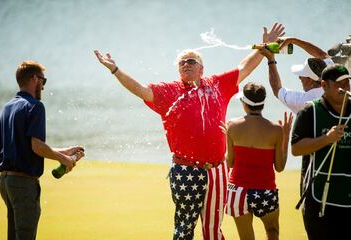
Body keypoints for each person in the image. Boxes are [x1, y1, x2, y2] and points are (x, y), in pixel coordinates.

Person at [94, 23, 285, 240]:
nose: (186, 64)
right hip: (186, 171)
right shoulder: (169, 91)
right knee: (184, 229)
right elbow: (140, 90)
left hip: (217, 171)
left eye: (191, 61)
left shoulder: (216, 85)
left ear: (201, 69)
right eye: (181, 63)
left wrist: (264, 48)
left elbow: (244, 68)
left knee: (213, 231)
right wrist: (115, 70)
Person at [0, 61, 85, 240]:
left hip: (6, 183)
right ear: (34, 78)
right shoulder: (35, 106)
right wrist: (65, 160)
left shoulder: (8, 107)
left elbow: (26, 147)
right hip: (23, 184)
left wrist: (64, 151)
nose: (43, 87)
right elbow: (37, 147)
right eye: (43, 81)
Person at [224, 82, 293, 240]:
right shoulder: (276, 129)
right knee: (272, 231)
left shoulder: (232, 126)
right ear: (262, 103)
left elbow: (230, 162)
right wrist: (286, 135)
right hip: (265, 191)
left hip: (238, 191)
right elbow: (280, 167)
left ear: (244, 103)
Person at [291, 64, 351, 240]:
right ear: (324, 85)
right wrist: (327, 139)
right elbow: (296, 148)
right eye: (340, 84)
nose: (345, 87)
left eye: (347, 83)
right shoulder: (310, 111)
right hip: (319, 199)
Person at [267, 37, 333, 113]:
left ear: (312, 81)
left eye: (302, 75)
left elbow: (276, 89)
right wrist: (292, 40)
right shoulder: (333, 78)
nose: (299, 77)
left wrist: (270, 59)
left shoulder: (304, 101)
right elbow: (322, 55)